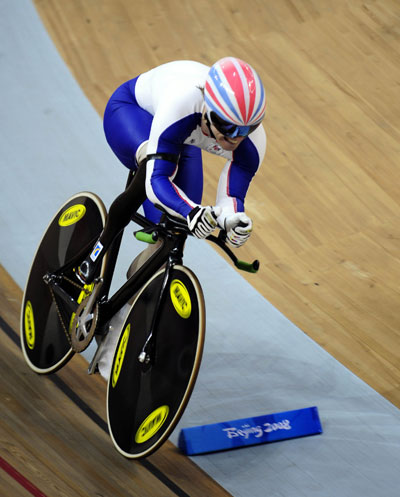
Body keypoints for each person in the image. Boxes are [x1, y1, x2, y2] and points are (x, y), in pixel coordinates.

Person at [76, 56, 267, 284]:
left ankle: (128, 307)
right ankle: (97, 251)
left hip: (182, 138)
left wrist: (231, 220)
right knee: (154, 170)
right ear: (208, 108)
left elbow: (231, 197)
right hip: (132, 111)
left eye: (247, 129)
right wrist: (191, 211)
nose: (236, 138)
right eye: (228, 127)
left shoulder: (254, 142)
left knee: (173, 232)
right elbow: (156, 180)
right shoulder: (182, 103)